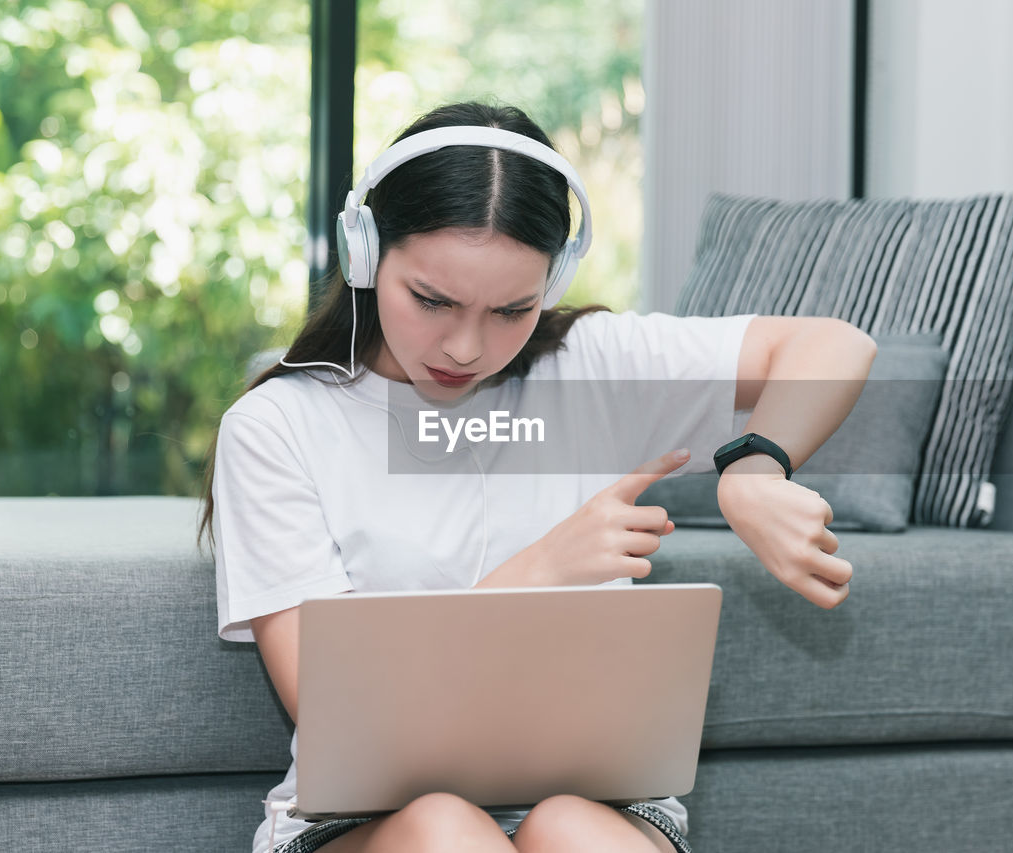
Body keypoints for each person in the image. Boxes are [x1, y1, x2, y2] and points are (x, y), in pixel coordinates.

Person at [197, 101, 877, 853]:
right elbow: (340, 715)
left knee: (574, 829)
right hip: (368, 821)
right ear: (365, 252)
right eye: (432, 300)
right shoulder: (278, 429)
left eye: (511, 309)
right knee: (446, 830)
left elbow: (833, 345)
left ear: (551, 284)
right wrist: (540, 570)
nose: (465, 345)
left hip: (597, 799)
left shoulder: (590, 366)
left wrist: (754, 464)